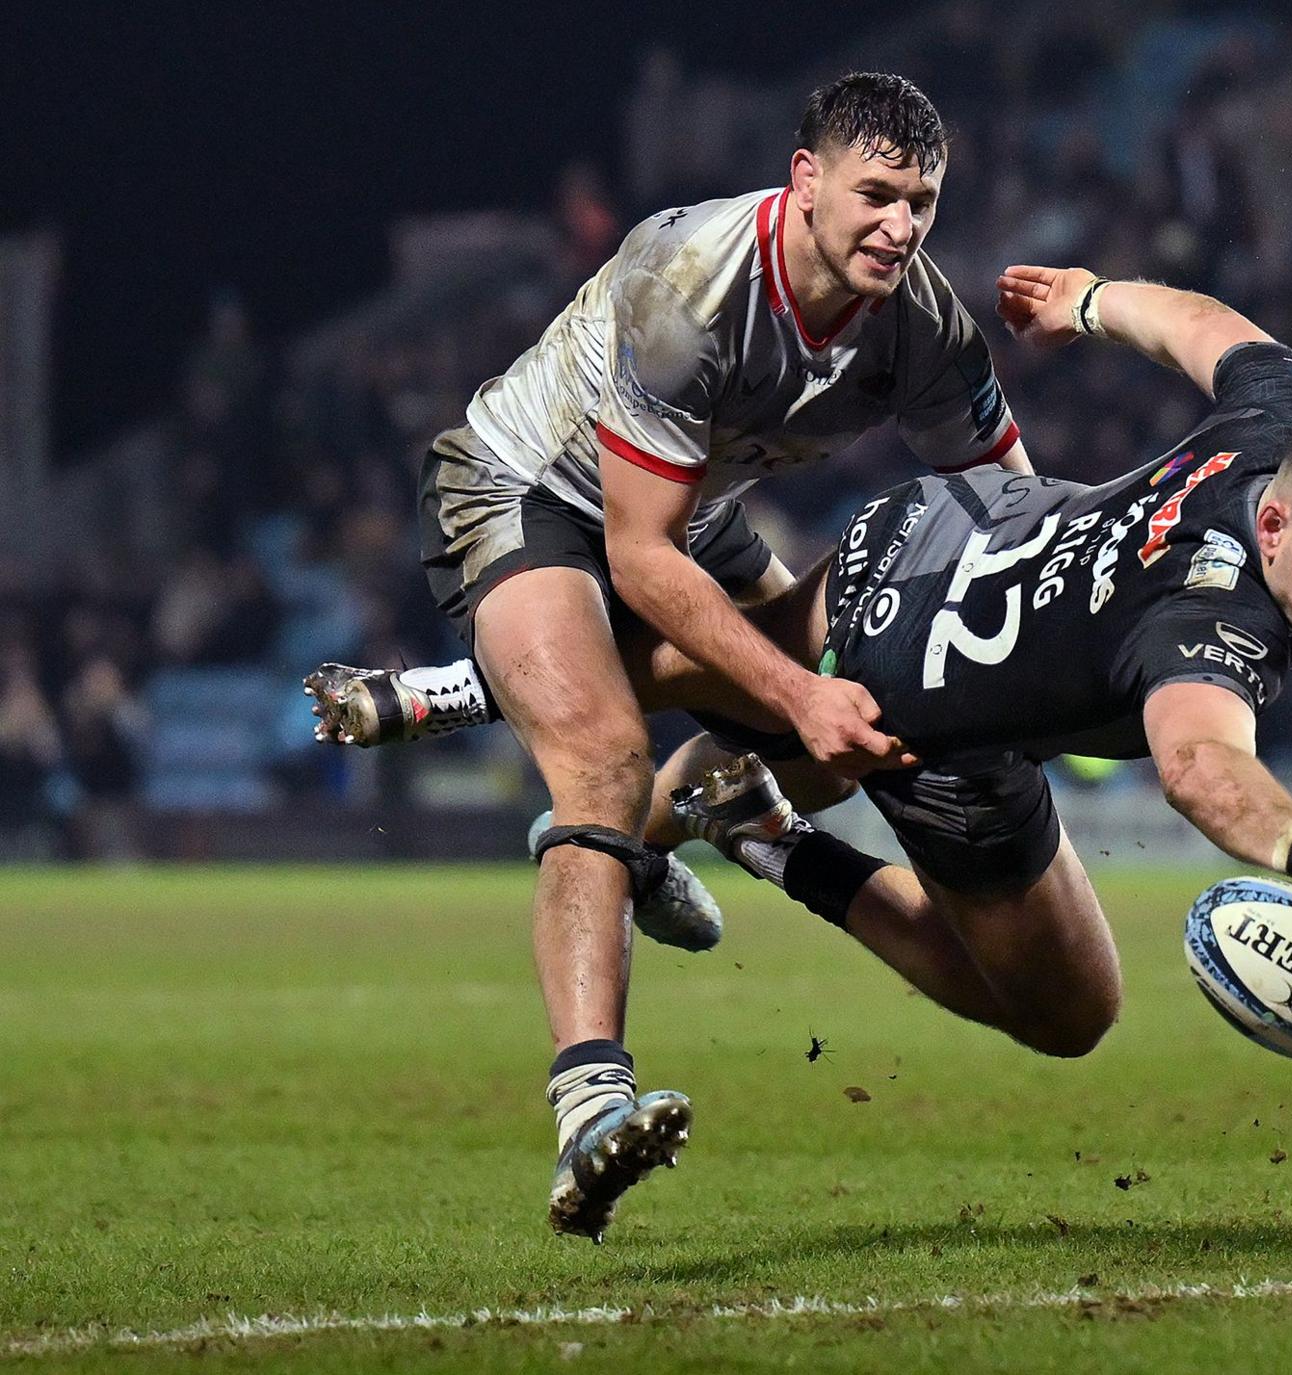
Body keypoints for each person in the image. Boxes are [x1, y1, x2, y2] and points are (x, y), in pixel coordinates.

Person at [310, 73, 1039, 1244]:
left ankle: (671, 801)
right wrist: (794, 692)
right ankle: (590, 1104)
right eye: (875, 195)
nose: (899, 226)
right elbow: (639, 564)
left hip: (689, 511)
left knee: (865, 696)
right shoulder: (690, 286)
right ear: (804, 182)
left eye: (923, 202)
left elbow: (1012, 510)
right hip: (530, 493)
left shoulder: (920, 324)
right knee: (602, 757)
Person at [663, 265, 1292, 1069]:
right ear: (1273, 526)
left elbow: (1204, 327)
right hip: (928, 685)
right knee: (1071, 1013)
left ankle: (606, 797)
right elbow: (1200, 761)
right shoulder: (1216, 617)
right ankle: (773, 837)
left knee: (703, 690)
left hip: (944, 521)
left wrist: (1092, 301)